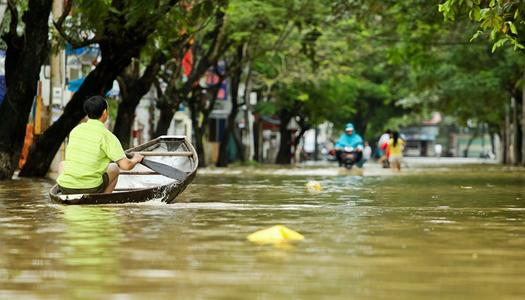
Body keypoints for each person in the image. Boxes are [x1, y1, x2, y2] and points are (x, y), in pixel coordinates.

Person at [56, 96, 144, 194]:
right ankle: (103, 199)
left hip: (65, 187)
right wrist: (136, 158)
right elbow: (126, 166)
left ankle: (66, 193)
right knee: (114, 168)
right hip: (91, 187)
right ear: (104, 112)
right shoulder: (107, 136)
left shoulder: (75, 130)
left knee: (62, 164)